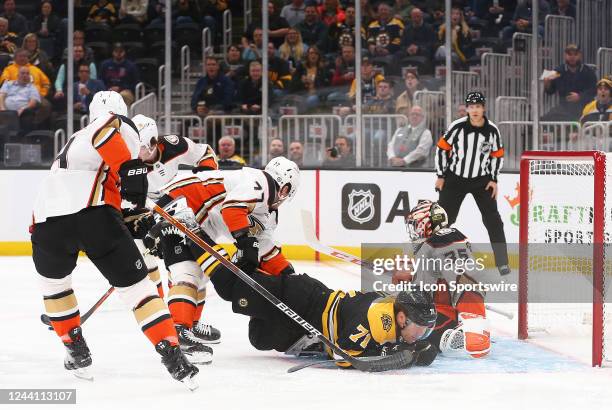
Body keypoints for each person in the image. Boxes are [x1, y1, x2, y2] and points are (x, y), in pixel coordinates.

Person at [30, 91, 199, 386]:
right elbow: (109, 137)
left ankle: (75, 350)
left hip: (45, 222)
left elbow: (103, 188)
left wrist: (132, 213)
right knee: (139, 290)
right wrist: (132, 175)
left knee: (55, 287)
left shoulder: (73, 143)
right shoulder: (114, 123)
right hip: (93, 215)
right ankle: (172, 354)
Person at [127, 114, 221, 355]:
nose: (139, 155)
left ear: (153, 142)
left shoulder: (173, 145)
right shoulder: (127, 161)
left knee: (199, 271)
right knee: (175, 269)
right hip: (153, 215)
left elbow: (205, 153)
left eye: (144, 149)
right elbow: (125, 199)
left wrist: (202, 182)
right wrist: (145, 222)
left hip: (186, 212)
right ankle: (174, 324)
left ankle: (193, 323)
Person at [393, 200, 491, 358]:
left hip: (446, 320)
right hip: (442, 315)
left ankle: (463, 335)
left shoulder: (443, 240)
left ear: (426, 224)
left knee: (396, 318)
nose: (414, 232)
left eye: (415, 225)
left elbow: (466, 281)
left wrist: (475, 326)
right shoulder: (438, 243)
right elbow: (434, 281)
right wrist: (411, 277)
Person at [435, 92, 510, 276]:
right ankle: (433, 259)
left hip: (481, 181)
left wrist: (493, 179)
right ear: (467, 109)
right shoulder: (457, 127)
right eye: (471, 106)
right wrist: (441, 175)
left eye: (478, 106)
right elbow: (442, 149)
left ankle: (502, 263)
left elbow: (497, 156)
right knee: (443, 220)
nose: (475, 110)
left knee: (493, 221)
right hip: (455, 178)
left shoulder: (492, 130)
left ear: (483, 108)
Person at [543, 44, 597, 121]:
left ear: (580, 55)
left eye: (575, 54)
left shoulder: (588, 71)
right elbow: (550, 91)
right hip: (564, 109)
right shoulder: (557, 71)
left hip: (585, 108)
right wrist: (547, 85)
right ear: (565, 55)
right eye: (569, 54)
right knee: (545, 119)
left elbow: (594, 90)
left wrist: (580, 97)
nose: (572, 57)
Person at [0, 65, 40, 135]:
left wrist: (22, 109)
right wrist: (2, 108)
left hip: (22, 113)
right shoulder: (8, 84)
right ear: (17, 75)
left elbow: (33, 102)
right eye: (23, 73)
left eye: (27, 73)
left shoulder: (32, 88)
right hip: (4, 111)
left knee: (28, 114)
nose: (25, 75)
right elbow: (1, 96)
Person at [99, 42, 140, 107]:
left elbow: (135, 83)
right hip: (108, 90)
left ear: (124, 52)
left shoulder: (131, 66)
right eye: (116, 51)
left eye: (121, 51)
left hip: (126, 91)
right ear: (113, 52)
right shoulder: (105, 65)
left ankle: (122, 116)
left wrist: (120, 88)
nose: (118, 53)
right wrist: (108, 89)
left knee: (122, 96)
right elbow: (100, 81)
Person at [366, 1, 404, 69]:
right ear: (378, 12)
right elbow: (370, 40)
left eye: (385, 10)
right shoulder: (372, 25)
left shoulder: (397, 23)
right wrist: (375, 49)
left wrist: (387, 50)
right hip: (376, 52)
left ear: (389, 12)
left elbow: (398, 40)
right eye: (381, 10)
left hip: (392, 52)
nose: (383, 12)